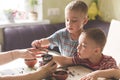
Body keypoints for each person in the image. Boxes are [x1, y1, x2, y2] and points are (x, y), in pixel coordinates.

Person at [53, 28, 118, 70]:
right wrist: (51, 57)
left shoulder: (109, 62)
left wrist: (97, 74)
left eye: (83, 46)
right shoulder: (82, 59)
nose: (78, 47)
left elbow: (117, 73)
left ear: (96, 51)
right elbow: (65, 60)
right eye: (79, 44)